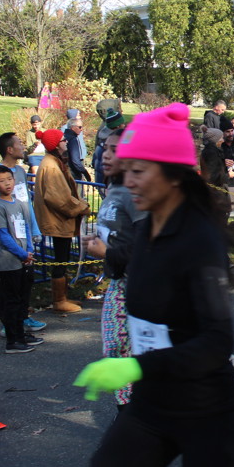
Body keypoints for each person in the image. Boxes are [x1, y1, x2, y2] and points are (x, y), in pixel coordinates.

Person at [74, 103, 234, 467]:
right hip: (150, 405)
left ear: (171, 175)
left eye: (139, 170)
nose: (128, 178)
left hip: (205, 411)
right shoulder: (147, 228)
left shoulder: (199, 241)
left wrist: (136, 365)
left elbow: (217, 342)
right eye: (127, 168)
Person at [94, 128, 146, 409]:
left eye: (115, 150)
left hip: (142, 283)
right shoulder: (113, 187)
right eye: (105, 148)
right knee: (115, 347)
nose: (106, 154)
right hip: (120, 280)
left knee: (141, 350)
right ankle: (128, 409)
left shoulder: (134, 193)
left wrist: (107, 252)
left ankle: (133, 411)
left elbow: (148, 245)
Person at [33, 128, 91, 313]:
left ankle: (63, 297)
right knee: (60, 260)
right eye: (63, 140)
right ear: (56, 145)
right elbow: (59, 198)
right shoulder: (51, 166)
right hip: (57, 220)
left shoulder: (54, 162)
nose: (66, 142)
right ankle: (59, 301)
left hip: (59, 220)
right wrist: (81, 207)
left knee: (62, 259)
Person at [0, 132, 47, 334]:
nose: (23, 146)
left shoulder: (20, 171)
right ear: (9, 149)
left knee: (26, 280)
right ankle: (8, 324)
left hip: (26, 233)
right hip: (10, 238)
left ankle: (23, 318)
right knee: (11, 286)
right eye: (18, 143)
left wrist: (34, 229)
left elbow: (25, 203)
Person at [0, 165, 44, 354]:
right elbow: (3, 235)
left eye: (9, 179)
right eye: (1, 181)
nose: (7, 183)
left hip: (24, 260)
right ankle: (13, 339)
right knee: (11, 300)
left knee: (23, 298)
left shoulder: (19, 203)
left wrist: (29, 250)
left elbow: (26, 228)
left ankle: (22, 334)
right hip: (10, 261)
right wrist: (21, 254)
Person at [64, 118, 92, 182]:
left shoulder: (64, 137)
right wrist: (85, 173)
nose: (81, 129)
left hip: (65, 171)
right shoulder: (72, 139)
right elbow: (75, 160)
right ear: (72, 127)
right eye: (79, 127)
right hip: (73, 174)